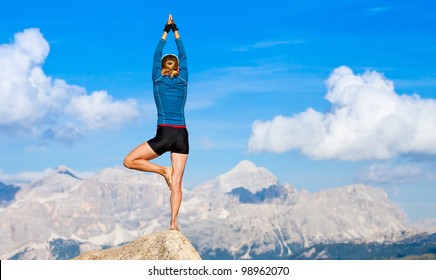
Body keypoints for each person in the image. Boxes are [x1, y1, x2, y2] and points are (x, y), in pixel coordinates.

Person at [124, 14, 188, 231]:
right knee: (177, 182)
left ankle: (162, 171)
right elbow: (184, 54)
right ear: (178, 67)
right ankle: (174, 224)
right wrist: (176, 30)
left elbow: (156, 54)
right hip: (182, 136)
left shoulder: (157, 79)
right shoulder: (183, 79)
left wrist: (165, 31)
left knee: (129, 161)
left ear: (161, 66)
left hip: (164, 134)